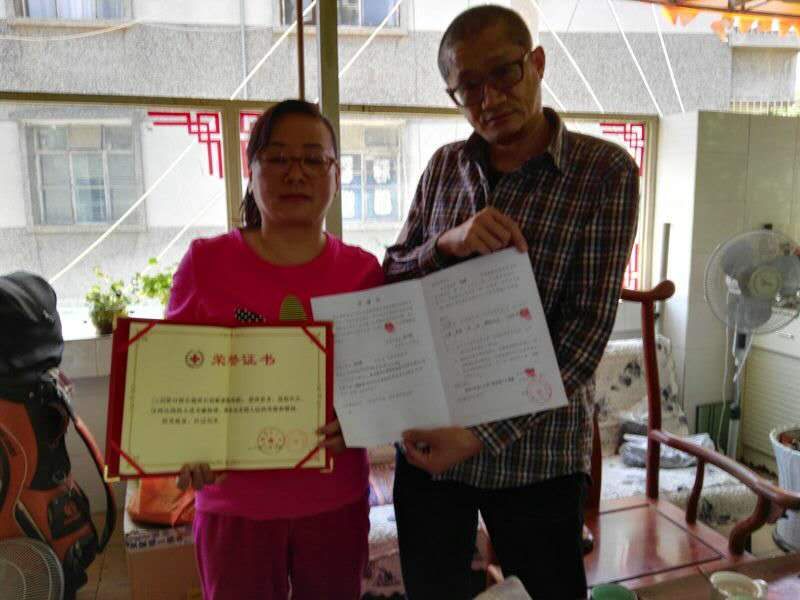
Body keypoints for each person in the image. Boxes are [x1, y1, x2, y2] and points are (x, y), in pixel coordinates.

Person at [383, 6, 639, 599]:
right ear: (453, 95)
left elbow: (583, 336)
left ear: (537, 63)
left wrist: (479, 433)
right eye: (469, 86)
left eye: (505, 72)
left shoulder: (604, 173)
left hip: (536, 455)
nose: (490, 97)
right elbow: (393, 274)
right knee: (433, 591)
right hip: (430, 445)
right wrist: (445, 244)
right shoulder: (444, 167)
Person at [167, 99, 383, 600]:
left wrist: (363, 419)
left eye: (313, 159)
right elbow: (173, 375)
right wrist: (184, 445)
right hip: (234, 505)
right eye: (278, 158)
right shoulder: (205, 264)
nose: (296, 173)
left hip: (334, 501)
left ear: (336, 174)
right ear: (251, 169)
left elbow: (382, 382)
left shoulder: (362, 272)